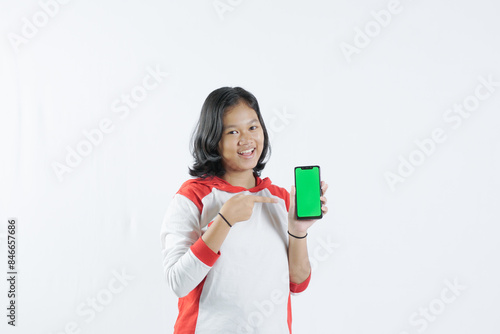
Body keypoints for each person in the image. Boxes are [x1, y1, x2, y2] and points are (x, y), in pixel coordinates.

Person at [160, 87, 328, 333]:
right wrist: (225, 220)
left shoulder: (280, 199)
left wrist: (298, 230)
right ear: (213, 139)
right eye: (232, 131)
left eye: (253, 127)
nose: (247, 140)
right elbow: (178, 283)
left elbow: (297, 284)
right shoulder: (193, 196)